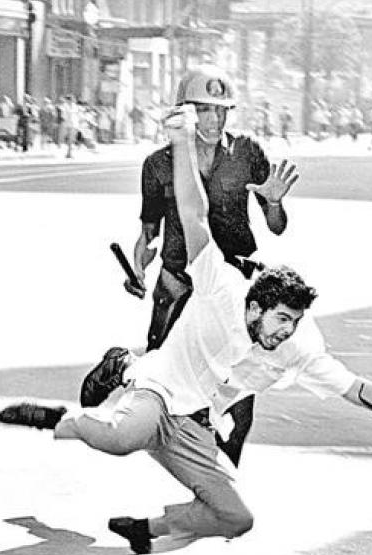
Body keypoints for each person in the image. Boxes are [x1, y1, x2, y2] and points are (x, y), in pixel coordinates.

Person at [0, 100, 372, 554]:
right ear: (255, 306)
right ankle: (65, 414)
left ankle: (151, 532)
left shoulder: (297, 347)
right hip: (160, 392)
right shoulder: (222, 288)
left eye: (294, 323)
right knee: (124, 436)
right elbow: (192, 213)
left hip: (197, 420)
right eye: (281, 319)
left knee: (237, 517)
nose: (285, 333)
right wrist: (181, 140)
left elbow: (354, 388)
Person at [102, 66, 291, 467]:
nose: (214, 120)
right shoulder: (157, 165)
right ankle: (122, 364)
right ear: (183, 113)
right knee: (160, 388)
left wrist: (273, 203)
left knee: (240, 405)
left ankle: (220, 483)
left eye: (221, 111)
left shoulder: (247, 154)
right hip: (179, 285)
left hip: (236, 289)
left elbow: (276, 227)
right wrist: (139, 266)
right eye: (203, 111)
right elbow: (147, 233)